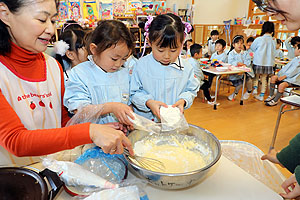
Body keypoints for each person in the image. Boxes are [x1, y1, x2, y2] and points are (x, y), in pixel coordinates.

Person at [0, 0, 133, 166]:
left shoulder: (52, 66)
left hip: (56, 169)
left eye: (53, 21)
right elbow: (15, 141)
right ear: (5, 14)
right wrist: (90, 131)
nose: (50, 29)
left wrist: (103, 131)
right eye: (42, 19)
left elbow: (66, 122)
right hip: (14, 179)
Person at [253, 0, 300, 198]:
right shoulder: (273, 40)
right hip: (271, 66)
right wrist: (285, 158)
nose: (269, 12)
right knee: (267, 81)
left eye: (270, 3)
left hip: (263, 65)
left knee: (263, 81)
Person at [64, 20, 135, 127]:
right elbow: (80, 111)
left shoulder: (124, 73)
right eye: (114, 58)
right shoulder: (80, 74)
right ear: (94, 49)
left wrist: (127, 119)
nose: (119, 64)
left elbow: (129, 103)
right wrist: (111, 107)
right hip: (89, 138)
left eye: (124, 59)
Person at [130, 13, 200, 121]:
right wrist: (148, 102)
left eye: (173, 50)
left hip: (174, 121)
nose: (167, 56)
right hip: (148, 121)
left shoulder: (186, 67)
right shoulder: (141, 66)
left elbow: (191, 89)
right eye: (160, 50)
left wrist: (183, 100)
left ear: (182, 44)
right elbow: (134, 92)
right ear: (150, 42)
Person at [250, 21, 276, 101]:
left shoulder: (259, 39)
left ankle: (254, 89)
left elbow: (252, 48)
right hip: (268, 63)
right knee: (264, 79)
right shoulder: (273, 40)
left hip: (258, 61)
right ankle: (261, 95)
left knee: (256, 76)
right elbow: (274, 51)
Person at [227, 35, 253, 101]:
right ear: (233, 45)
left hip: (245, 72)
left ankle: (249, 91)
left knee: (249, 80)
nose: (239, 45)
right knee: (240, 84)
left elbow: (248, 61)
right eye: (237, 43)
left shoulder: (246, 53)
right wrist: (238, 63)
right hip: (235, 73)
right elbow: (231, 62)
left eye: (241, 43)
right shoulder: (231, 53)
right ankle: (234, 94)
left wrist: (244, 65)